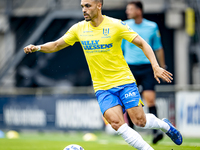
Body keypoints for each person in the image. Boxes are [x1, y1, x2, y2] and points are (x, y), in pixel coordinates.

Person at [24, 0, 182, 149]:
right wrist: (37, 48)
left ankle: (164, 125)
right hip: (102, 87)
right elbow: (57, 44)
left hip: (124, 81)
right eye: (82, 6)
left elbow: (142, 43)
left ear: (99, 5)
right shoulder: (78, 28)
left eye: (88, 6)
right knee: (116, 123)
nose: (84, 10)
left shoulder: (116, 25)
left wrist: (155, 66)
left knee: (140, 121)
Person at [121, 1, 166, 144]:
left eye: (130, 9)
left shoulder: (152, 27)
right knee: (130, 100)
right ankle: (132, 133)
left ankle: (156, 132)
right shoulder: (124, 26)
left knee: (150, 99)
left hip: (147, 68)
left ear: (139, 11)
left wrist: (161, 66)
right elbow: (120, 49)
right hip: (130, 68)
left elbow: (158, 48)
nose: (127, 12)